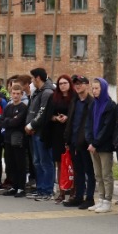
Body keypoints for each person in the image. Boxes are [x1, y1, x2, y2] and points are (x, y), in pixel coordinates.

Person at [64, 75, 95, 209]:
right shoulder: (74, 101)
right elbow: (71, 121)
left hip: (85, 143)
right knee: (78, 171)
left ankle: (89, 198)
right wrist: (67, 139)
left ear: (87, 85)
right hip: (73, 141)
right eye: (76, 84)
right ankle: (78, 196)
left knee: (89, 171)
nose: (77, 86)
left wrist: (88, 141)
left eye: (80, 83)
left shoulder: (91, 103)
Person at [85, 77, 117, 212]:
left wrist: (96, 143)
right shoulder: (93, 104)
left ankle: (108, 201)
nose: (94, 91)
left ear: (103, 89)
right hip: (93, 146)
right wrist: (90, 141)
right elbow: (88, 124)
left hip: (104, 146)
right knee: (97, 174)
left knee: (106, 174)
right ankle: (101, 199)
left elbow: (107, 128)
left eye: (97, 88)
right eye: (93, 88)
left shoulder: (110, 105)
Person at [25, 68, 55, 200]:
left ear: (37, 78)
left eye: (32, 78)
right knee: (37, 162)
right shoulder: (38, 91)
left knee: (45, 162)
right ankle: (40, 188)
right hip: (35, 132)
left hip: (42, 133)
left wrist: (31, 125)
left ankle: (47, 190)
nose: (31, 81)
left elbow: (42, 113)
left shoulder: (47, 92)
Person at [44, 75, 73, 203]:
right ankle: (61, 192)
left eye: (65, 83)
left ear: (70, 84)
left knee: (72, 164)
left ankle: (73, 192)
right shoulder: (54, 97)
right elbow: (48, 115)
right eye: (60, 83)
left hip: (71, 132)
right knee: (60, 163)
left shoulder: (74, 97)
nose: (62, 86)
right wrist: (56, 118)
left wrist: (68, 118)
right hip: (57, 133)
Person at [1, 83, 29, 197]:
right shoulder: (8, 107)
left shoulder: (23, 107)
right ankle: (14, 186)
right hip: (8, 139)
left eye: (18, 93)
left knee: (20, 164)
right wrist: (10, 120)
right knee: (10, 164)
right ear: (10, 94)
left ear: (22, 94)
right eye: (14, 93)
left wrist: (9, 121)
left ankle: (21, 188)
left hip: (18, 140)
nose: (15, 96)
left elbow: (17, 122)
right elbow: (2, 121)